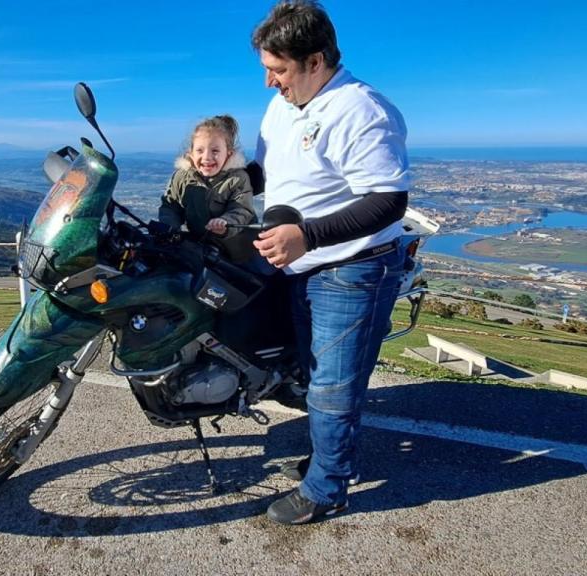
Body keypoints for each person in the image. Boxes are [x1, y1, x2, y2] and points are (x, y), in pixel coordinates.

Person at [251, 0, 411, 524]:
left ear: (315, 60)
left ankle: (327, 488)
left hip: (353, 267)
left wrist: (308, 235)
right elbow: (272, 176)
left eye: (279, 70)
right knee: (314, 374)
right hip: (300, 264)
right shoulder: (283, 105)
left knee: (333, 388)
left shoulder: (361, 109)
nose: (270, 82)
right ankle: (331, 458)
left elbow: (388, 200)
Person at [159, 115, 256, 262]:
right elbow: (171, 206)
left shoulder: (237, 178)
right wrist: (169, 228)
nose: (206, 157)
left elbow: (242, 209)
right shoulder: (182, 177)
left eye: (215, 151)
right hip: (202, 248)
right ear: (191, 153)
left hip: (236, 253)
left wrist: (225, 223)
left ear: (228, 154)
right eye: (200, 150)